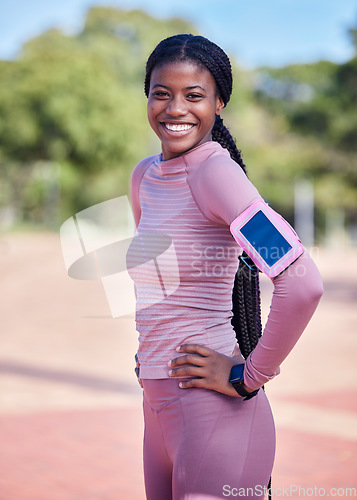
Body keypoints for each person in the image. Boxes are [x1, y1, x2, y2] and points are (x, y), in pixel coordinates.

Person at [127, 34, 323, 500]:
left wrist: (248, 376)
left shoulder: (215, 174)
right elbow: (158, 284)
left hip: (214, 412)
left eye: (194, 95)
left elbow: (303, 282)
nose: (175, 109)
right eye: (161, 93)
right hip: (155, 409)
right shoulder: (144, 177)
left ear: (219, 104)